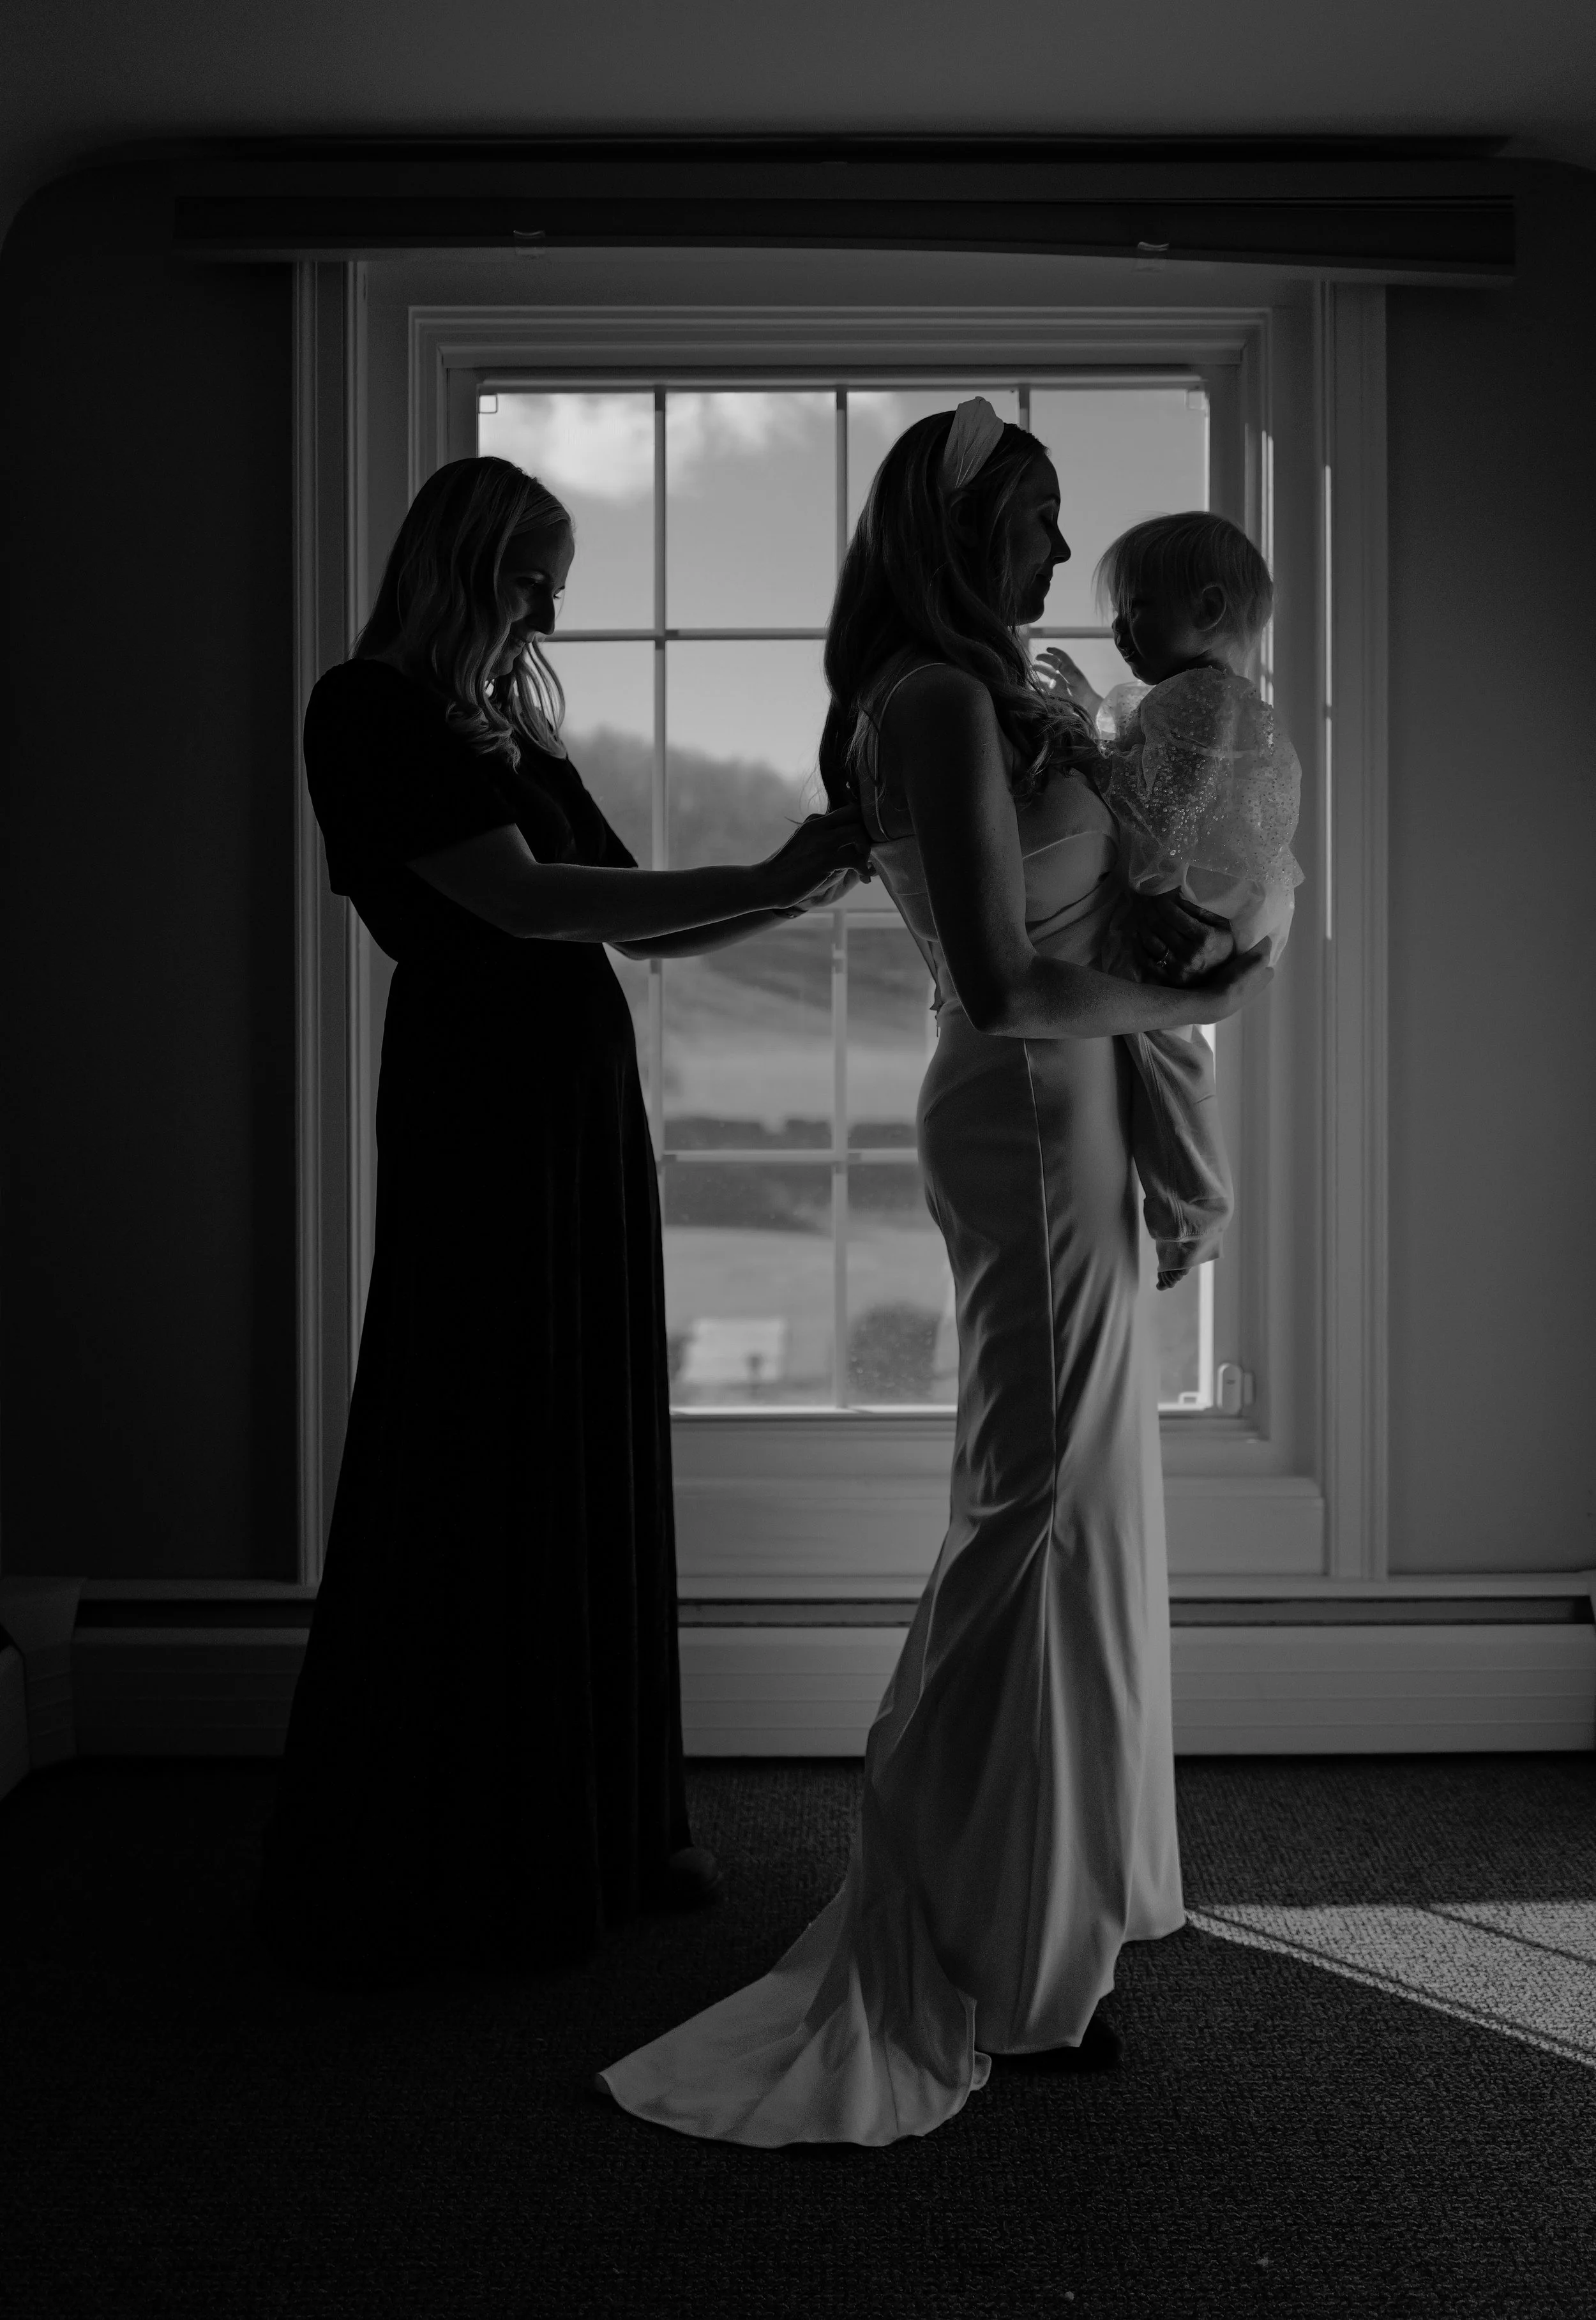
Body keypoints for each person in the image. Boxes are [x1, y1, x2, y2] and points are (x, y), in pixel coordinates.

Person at [598, 398, 1270, 2146]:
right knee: (1027, 1522)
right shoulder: (936, 701)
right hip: (1031, 1109)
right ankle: (982, 1936)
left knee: (1083, 1514)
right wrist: (1195, 1001)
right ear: (960, 535)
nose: (1062, 553)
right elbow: (1003, 983)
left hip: (1078, 1112)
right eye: (1040, 521)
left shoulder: (985, 690)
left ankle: (1070, 1908)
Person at [256, 456, 870, 1984]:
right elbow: (527, 909)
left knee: (581, 1421)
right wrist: (771, 866)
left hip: (579, 1111)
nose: (554, 605)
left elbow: (631, 919)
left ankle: (598, 1821)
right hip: (482, 1107)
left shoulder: (512, 730)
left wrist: (801, 885)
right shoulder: (368, 710)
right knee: (482, 1422)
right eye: (534, 572)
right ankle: (463, 1836)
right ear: (462, 562)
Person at [1037, 509, 1304, 1287]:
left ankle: (1194, 1207)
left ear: (1211, 610)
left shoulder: (1194, 701)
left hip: (1199, 898)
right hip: (1241, 897)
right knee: (1166, 1040)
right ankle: (1190, 1200)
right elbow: (1153, 760)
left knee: (1157, 1031)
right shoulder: (1214, 699)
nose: (1121, 629)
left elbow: (1168, 800)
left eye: (1139, 607)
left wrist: (1145, 887)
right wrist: (1095, 709)